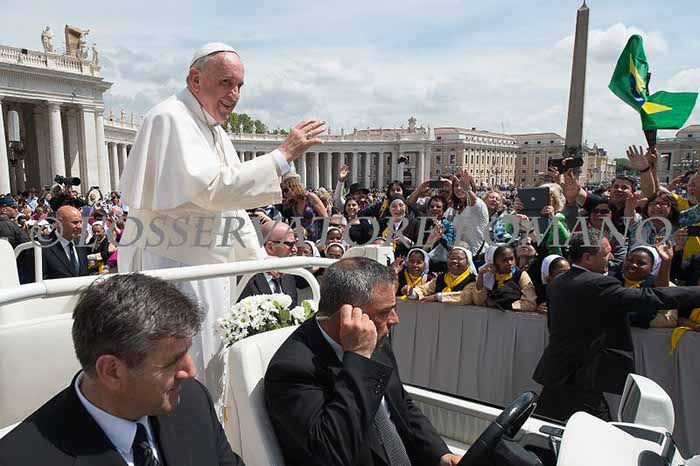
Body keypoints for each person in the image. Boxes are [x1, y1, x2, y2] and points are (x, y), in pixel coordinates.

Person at [117, 42, 325, 412]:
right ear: (195, 79)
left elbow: (232, 207)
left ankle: (207, 429)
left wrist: (257, 257)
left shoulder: (214, 129)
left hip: (209, 272)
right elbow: (212, 190)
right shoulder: (169, 117)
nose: (235, 95)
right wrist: (281, 156)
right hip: (175, 271)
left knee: (212, 368)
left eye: (240, 86)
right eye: (226, 83)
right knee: (183, 370)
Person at [0, 273, 244, 465]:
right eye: (173, 361)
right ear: (112, 371)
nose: (190, 371)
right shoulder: (19, 459)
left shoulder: (192, 401)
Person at [264, 257, 461, 466]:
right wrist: (358, 358)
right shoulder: (292, 370)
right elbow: (332, 452)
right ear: (347, 315)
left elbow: (400, 403)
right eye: (385, 312)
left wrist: (440, 454)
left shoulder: (376, 340)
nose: (395, 320)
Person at [533, 232, 700, 423]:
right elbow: (650, 298)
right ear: (587, 257)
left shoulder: (557, 283)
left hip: (557, 373)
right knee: (602, 436)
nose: (611, 257)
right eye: (606, 253)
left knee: (542, 428)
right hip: (581, 378)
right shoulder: (598, 284)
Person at [238, 222, 299, 307]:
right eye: (290, 244)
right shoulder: (245, 280)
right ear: (270, 247)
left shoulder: (288, 276)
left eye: (296, 243)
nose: (295, 249)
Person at [403, 244, 478, 305]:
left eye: (459, 259)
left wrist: (438, 297)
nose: (454, 261)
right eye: (452, 258)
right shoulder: (441, 278)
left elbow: (466, 297)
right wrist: (412, 293)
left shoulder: (473, 280)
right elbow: (424, 289)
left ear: (468, 261)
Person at [473, 245, 537, 312]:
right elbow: (478, 301)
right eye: (504, 260)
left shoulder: (520, 275)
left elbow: (531, 304)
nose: (510, 263)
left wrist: (504, 305)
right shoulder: (488, 278)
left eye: (512, 259)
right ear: (494, 263)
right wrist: (480, 275)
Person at [41, 206, 89, 279]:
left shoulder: (80, 243)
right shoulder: (42, 248)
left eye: (81, 222)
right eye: (75, 222)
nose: (80, 226)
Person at [0, 194, 35, 283]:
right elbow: (27, 249)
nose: (16, 210)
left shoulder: (14, 226)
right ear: (4, 210)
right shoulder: (13, 227)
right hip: (14, 269)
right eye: (13, 207)